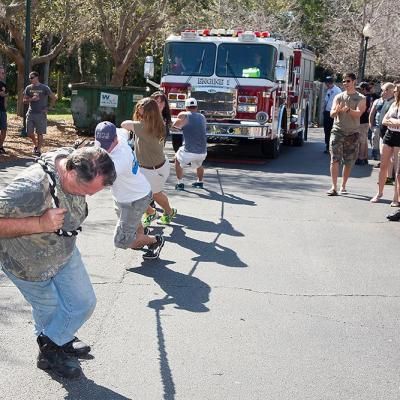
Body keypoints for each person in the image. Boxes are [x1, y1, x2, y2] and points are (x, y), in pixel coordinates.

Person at [0, 147, 116, 379]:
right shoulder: (31, 187)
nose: (90, 196)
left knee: (83, 303)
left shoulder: (72, 158)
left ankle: (54, 340)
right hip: (27, 265)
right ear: (71, 174)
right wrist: (39, 224)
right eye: (87, 191)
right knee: (50, 311)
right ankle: (51, 354)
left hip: (64, 253)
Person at [94, 121, 164, 259]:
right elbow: (125, 129)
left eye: (107, 145)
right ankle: (141, 235)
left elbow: (96, 182)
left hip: (135, 200)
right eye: (100, 143)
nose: (104, 149)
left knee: (122, 241)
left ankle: (155, 240)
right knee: (132, 225)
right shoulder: (119, 135)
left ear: (115, 139)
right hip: (125, 195)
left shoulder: (118, 160)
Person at [121, 98, 177, 226]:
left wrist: (138, 120)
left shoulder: (143, 126)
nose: (138, 111)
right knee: (136, 192)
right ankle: (151, 212)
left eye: (141, 110)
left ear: (149, 112)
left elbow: (124, 124)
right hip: (147, 168)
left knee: (155, 195)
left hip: (154, 170)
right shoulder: (157, 123)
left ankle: (168, 212)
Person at [326, 73, 366, 196]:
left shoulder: (361, 98)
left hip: (352, 133)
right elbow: (331, 114)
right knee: (334, 159)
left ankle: (343, 185)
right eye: (343, 81)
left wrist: (348, 110)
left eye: (348, 81)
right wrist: (337, 111)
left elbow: (359, 113)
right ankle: (334, 187)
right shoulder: (338, 96)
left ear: (354, 81)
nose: (345, 83)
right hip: (337, 131)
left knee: (349, 161)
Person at [371, 83, 400, 205]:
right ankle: (379, 192)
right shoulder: (394, 104)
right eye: (394, 91)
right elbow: (384, 121)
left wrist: (391, 121)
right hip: (389, 135)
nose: (395, 92)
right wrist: (394, 121)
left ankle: (396, 197)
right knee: (383, 166)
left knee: (398, 170)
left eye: (397, 90)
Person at [172, 97, 207, 191]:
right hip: (203, 152)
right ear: (196, 107)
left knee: (177, 160)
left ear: (186, 107)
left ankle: (180, 183)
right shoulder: (202, 117)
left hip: (189, 151)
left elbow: (174, 125)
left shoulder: (183, 114)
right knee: (199, 164)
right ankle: (199, 182)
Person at [23, 71, 57, 156]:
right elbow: (24, 101)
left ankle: (38, 149)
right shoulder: (28, 88)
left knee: (40, 132)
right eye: (30, 78)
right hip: (30, 113)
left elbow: (53, 98)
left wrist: (48, 108)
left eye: (32, 77)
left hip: (41, 114)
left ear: (37, 77)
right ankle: (35, 145)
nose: (30, 79)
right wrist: (31, 99)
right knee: (29, 133)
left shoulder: (44, 87)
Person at [369, 83, 395, 162]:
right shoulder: (383, 101)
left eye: (384, 91)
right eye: (382, 91)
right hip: (380, 128)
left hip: (390, 131)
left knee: (390, 154)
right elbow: (372, 113)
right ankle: (381, 162)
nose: (382, 93)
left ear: (390, 91)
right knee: (381, 149)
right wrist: (371, 125)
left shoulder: (394, 103)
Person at [323, 76, 342, 154]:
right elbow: (326, 101)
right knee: (326, 130)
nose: (327, 85)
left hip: (334, 112)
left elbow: (340, 102)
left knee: (333, 130)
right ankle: (328, 146)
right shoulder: (329, 90)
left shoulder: (337, 91)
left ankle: (333, 147)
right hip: (327, 112)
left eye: (328, 83)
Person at [355, 82, 373, 165]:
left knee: (361, 140)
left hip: (362, 121)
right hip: (366, 121)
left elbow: (362, 110)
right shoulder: (370, 97)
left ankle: (361, 157)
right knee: (364, 140)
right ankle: (365, 157)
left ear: (363, 89)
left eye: (360, 88)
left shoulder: (365, 98)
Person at [0, 66, 8, 154]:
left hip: (2, 110)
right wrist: (4, 94)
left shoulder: (4, 84)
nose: (3, 74)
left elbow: (5, 95)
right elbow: (3, 94)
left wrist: (5, 106)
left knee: (4, 129)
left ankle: (1, 146)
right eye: (2, 73)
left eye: (3, 72)